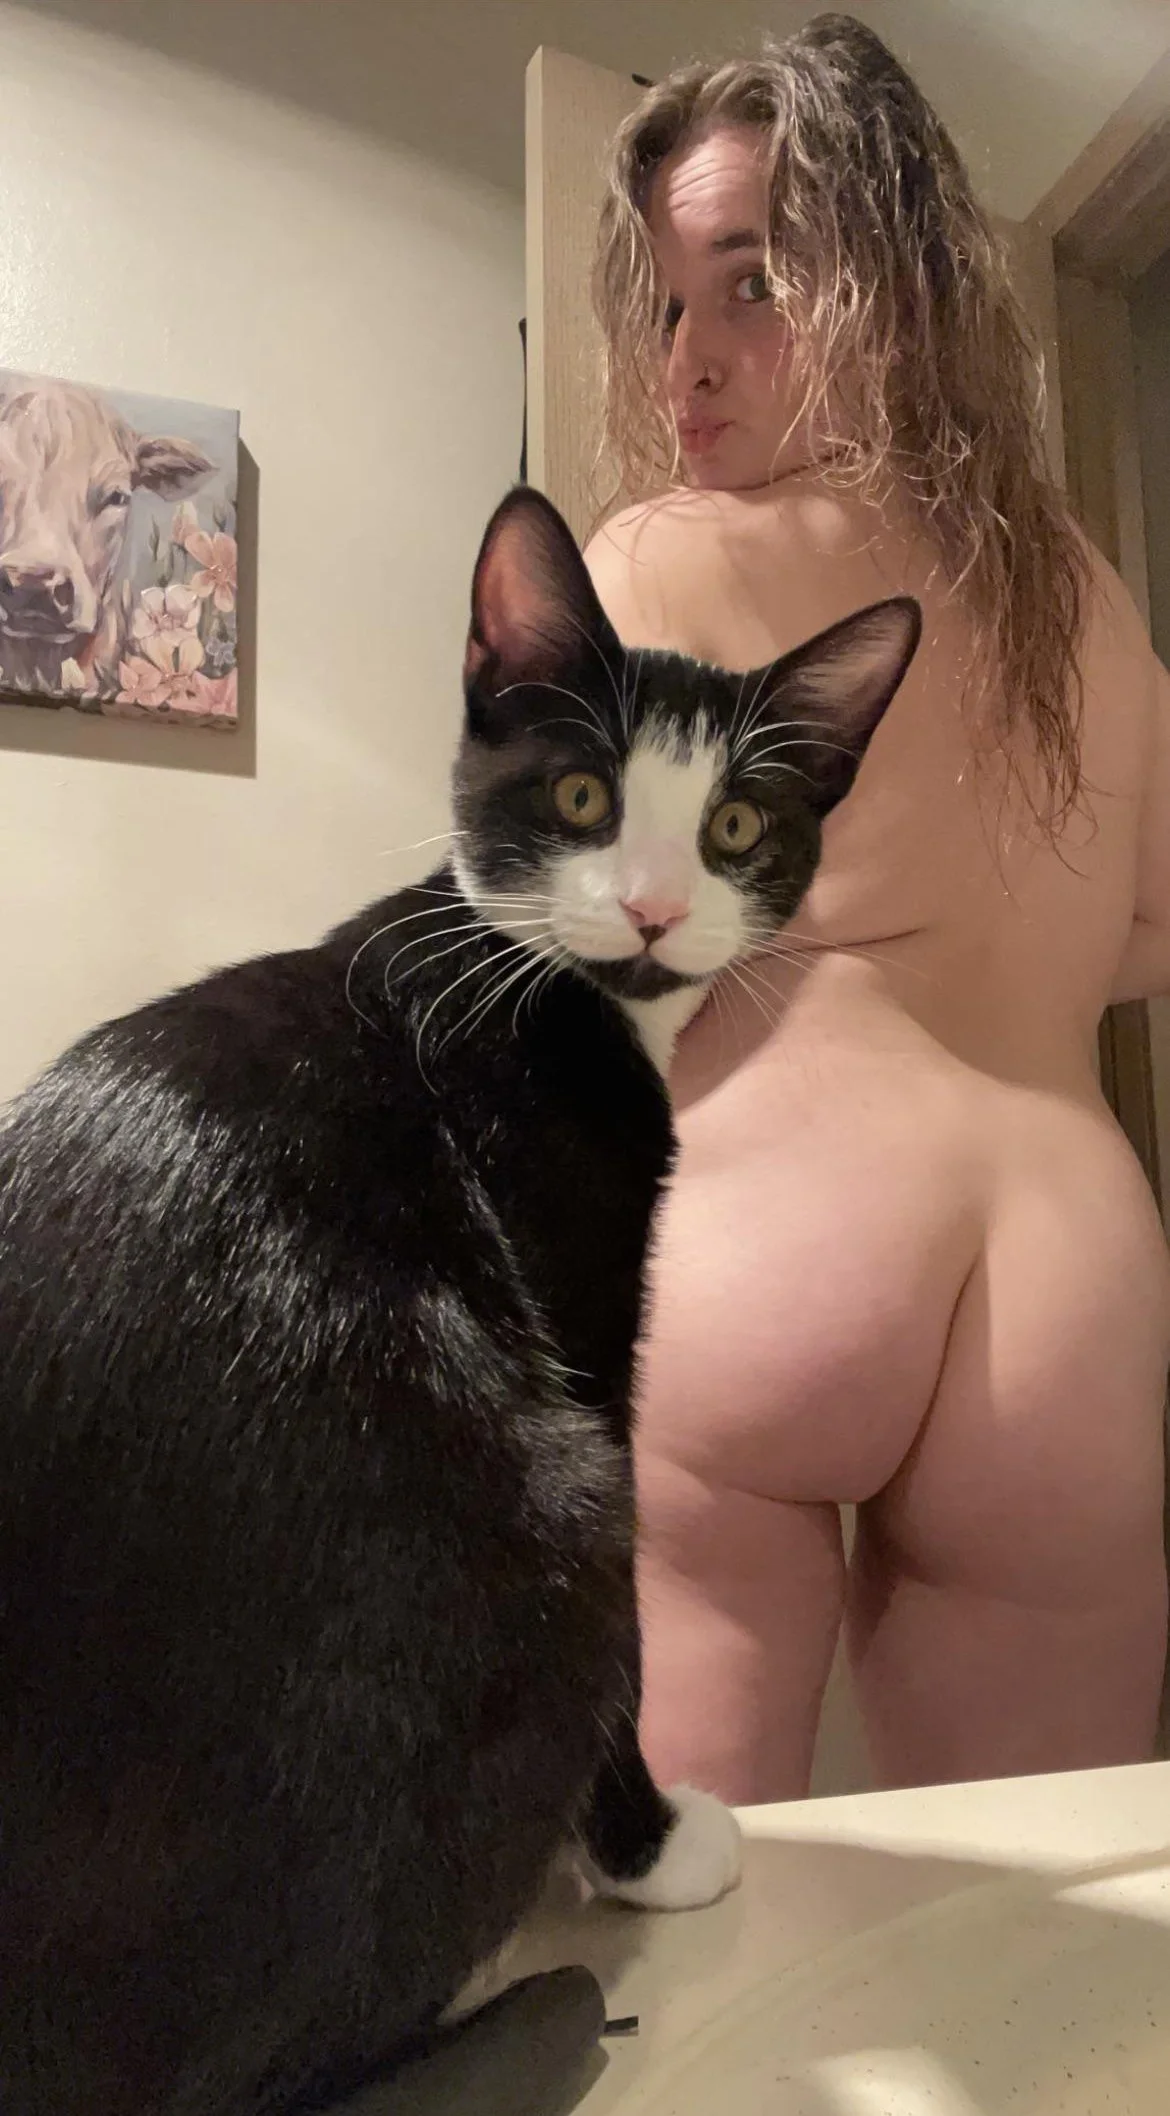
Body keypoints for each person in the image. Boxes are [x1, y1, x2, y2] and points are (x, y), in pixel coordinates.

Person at [582, 12, 1170, 1803]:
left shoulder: (661, 557)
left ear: (891, 294)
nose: (687, 363)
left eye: (750, 287)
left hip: (771, 1244)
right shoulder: (1087, 600)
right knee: (1040, 1912)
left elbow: (579, 955)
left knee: (698, 1918)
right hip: (1069, 1280)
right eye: (667, 306)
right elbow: (1153, 924)